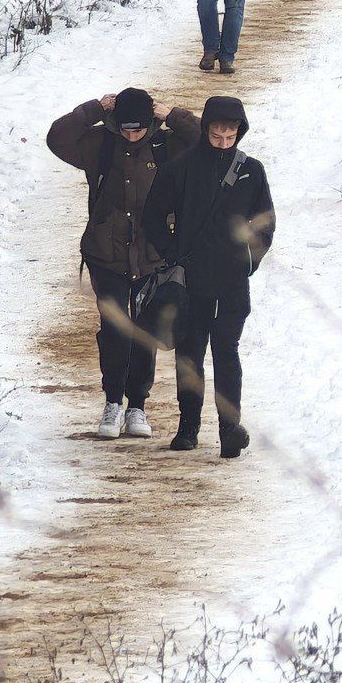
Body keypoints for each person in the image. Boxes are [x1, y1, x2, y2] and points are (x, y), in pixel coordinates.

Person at [46, 87, 199, 440]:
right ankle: (112, 402)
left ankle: (137, 406)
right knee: (115, 328)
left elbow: (206, 141)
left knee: (144, 330)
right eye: (126, 128)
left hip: (153, 254)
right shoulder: (100, 143)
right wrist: (93, 109)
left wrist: (172, 114)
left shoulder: (168, 146)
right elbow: (57, 138)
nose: (132, 135)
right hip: (105, 253)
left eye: (139, 129)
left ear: (150, 123)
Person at [143, 95, 276, 458]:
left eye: (229, 136)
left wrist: (249, 259)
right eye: (216, 135)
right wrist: (172, 253)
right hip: (190, 281)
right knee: (189, 355)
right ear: (205, 131)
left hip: (232, 282)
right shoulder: (181, 167)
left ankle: (229, 428)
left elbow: (264, 222)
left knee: (227, 353)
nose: (222, 141)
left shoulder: (252, 171)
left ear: (239, 132)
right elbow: (152, 216)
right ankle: (188, 428)